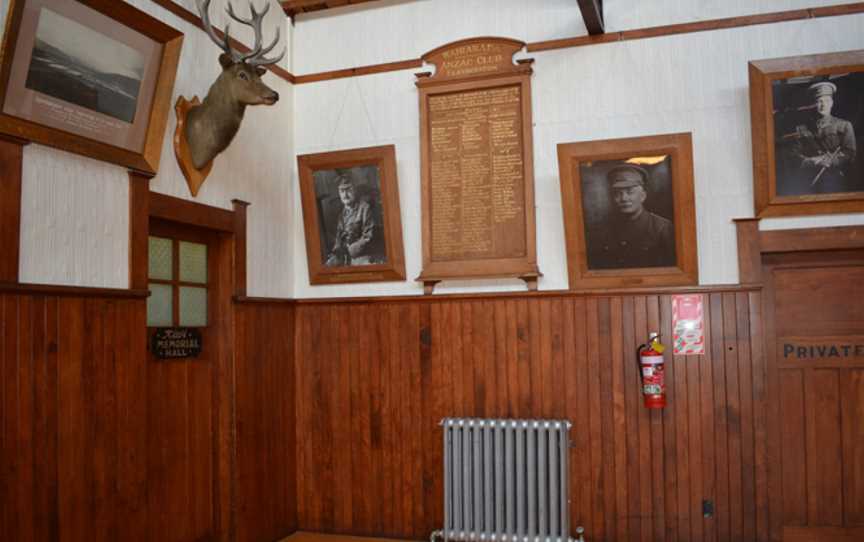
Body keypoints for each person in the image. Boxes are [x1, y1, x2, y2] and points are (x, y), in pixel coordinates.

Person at [585, 164, 676, 270]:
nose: (624, 198)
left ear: (643, 196)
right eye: (617, 193)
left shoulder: (662, 228)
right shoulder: (603, 229)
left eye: (630, 192)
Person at [783, 81, 857, 194]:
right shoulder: (801, 128)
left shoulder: (844, 125)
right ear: (814, 103)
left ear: (832, 103)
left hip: (837, 180)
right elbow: (794, 156)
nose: (823, 105)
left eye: (827, 101)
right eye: (819, 101)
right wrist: (813, 161)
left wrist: (831, 161)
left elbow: (850, 153)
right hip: (810, 182)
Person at [324, 174, 384, 266]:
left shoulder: (364, 208)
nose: (345, 194)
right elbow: (338, 239)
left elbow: (368, 237)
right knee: (328, 266)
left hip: (362, 255)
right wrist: (336, 252)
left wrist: (349, 250)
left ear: (355, 190)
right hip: (345, 257)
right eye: (342, 191)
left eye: (348, 189)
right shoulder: (342, 214)